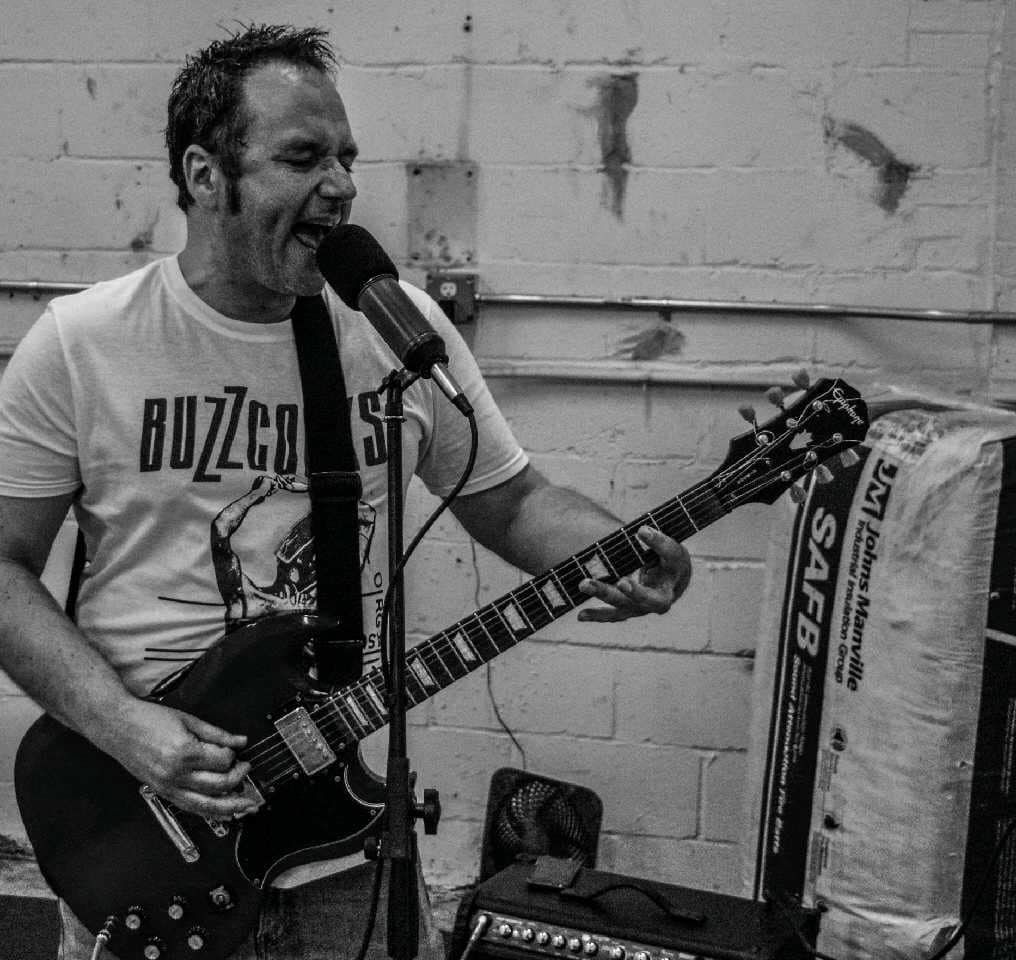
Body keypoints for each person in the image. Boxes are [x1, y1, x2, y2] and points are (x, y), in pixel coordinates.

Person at [0, 23, 692, 960]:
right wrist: (123, 727)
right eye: (302, 157)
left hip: (344, 849)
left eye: (347, 158)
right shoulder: (82, 344)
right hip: (141, 823)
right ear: (205, 175)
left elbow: (512, 501)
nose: (341, 185)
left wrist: (625, 551)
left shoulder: (388, 331)